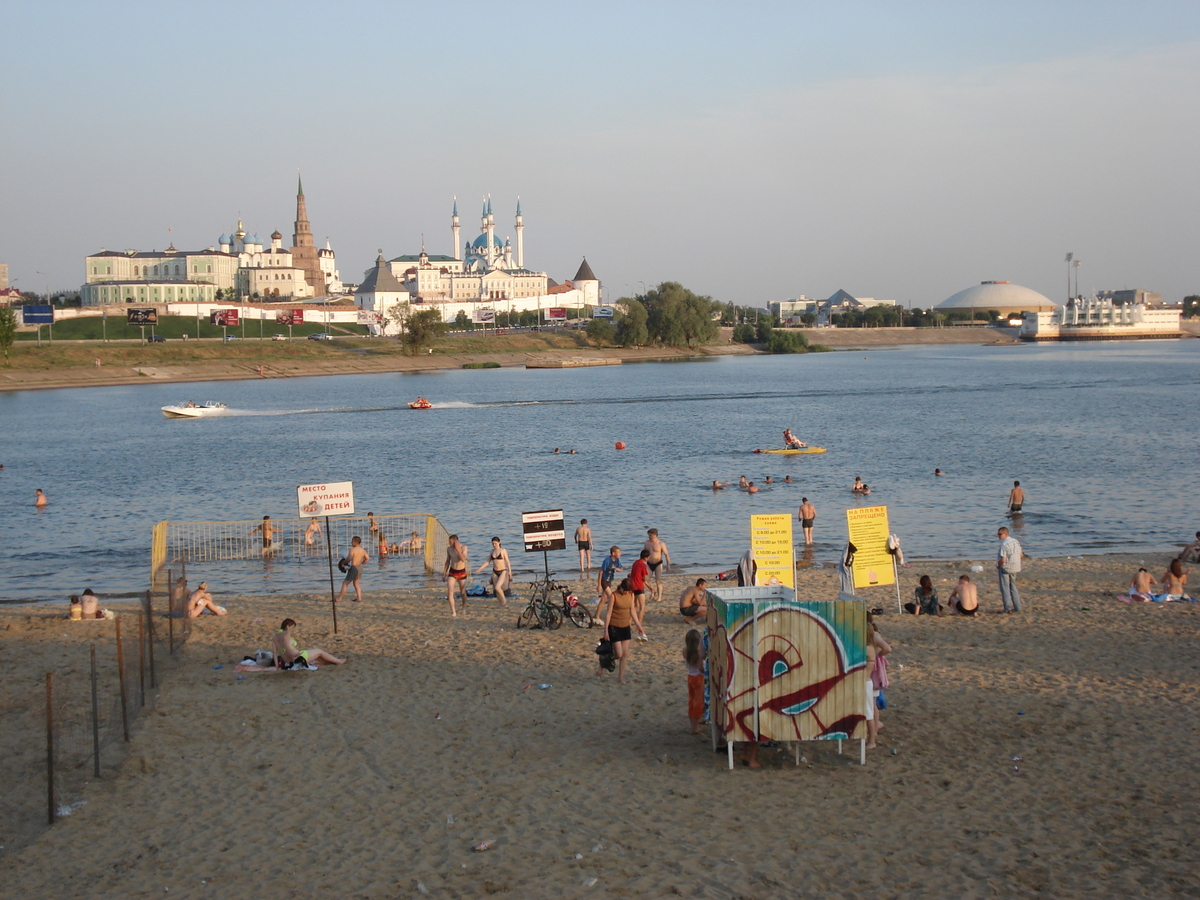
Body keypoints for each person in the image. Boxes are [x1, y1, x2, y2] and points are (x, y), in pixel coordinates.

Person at [596, 578, 643, 684]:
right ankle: (603, 662)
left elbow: (632, 611)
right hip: (614, 626)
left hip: (625, 626)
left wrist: (639, 626)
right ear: (621, 587)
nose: (626, 592)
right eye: (625, 590)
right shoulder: (614, 596)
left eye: (628, 591)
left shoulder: (630, 595)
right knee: (618, 654)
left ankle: (621, 678)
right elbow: (608, 614)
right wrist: (605, 631)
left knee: (625, 654)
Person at [272, 618, 345, 667]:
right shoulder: (286, 634)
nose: (292, 630)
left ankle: (334, 662)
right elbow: (288, 647)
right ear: (287, 626)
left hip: (287, 662)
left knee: (318, 656)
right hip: (296, 659)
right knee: (319, 651)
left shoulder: (275, 637)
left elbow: (275, 653)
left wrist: (276, 666)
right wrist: (297, 653)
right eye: (292, 627)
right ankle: (339, 661)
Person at [475, 536, 512, 606]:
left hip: (502, 571)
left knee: (497, 587)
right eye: (493, 544)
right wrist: (480, 569)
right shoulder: (492, 551)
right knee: (496, 590)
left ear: (499, 543)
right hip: (495, 571)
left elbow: (507, 561)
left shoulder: (503, 550)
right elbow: (487, 562)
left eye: (495, 543)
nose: (494, 545)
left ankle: (504, 601)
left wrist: (510, 572)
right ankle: (501, 604)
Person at [683, 629, 706, 734]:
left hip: (690, 677)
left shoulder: (685, 651)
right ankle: (696, 727)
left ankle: (693, 726)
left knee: (692, 700)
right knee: (698, 701)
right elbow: (700, 668)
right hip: (698, 677)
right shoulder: (698, 653)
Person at [996, 526, 1023, 613]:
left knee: (1005, 588)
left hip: (1006, 567)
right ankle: (1018, 607)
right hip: (1015, 566)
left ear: (1006, 534)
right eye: (998, 534)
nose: (999, 536)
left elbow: (1003, 559)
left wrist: (998, 565)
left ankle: (1007, 608)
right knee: (1013, 587)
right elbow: (1021, 554)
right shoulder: (1015, 541)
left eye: (1000, 534)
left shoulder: (1004, 544)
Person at [336, 536, 369, 603]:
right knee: (356, 583)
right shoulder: (362, 550)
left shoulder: (352, 550)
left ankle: (340, 598)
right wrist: (361, 564)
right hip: (359, 568)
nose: (351, 543)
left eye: (352, 541)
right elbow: (367, 558)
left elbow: (349, 558)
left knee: (345, 583)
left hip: (354, 567)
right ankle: (359, 598)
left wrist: (343, 563)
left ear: (355, 542)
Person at [443, 533, 469, 616]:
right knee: (450, 592)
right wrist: (444, 574)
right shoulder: (449, 549)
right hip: (452, 572)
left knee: (462, 591)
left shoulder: (463, 547)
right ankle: (453, 612)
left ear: (455, 541)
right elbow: (447, 561)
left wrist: (458, 549)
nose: (449, 543)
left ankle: (464, 607)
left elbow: (463, 559)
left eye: (450, 542)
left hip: (461, 572)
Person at [596, 545, 622, 624]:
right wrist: (599, 585)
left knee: (603, 599)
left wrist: (618, 569)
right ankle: (612, 615)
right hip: (604, 580)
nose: (620, 554)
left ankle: (596, 615)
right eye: (618, 552)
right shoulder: (607, 560)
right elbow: (601, 572)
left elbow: (621, 568)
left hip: (609, 581)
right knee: (611, 597)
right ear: (613, 553)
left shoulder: (617, 560)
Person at [643, 528, 671, 603]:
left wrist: (668, 565)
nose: (649, 537)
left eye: (651, 535)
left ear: (655, 535)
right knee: (645, 580)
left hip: (658, 563)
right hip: (649, 564)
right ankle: (652, 590)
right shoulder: (646, 543)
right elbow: (643, 554)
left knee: (658, 581)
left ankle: (659, 597)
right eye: (649, 535)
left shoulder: (661, 544)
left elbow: (666, 554)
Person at [629, 550, 651, 640]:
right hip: (639, 587)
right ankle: (639, 624)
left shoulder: (635, 563)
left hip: (632, 586)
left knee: (636, 606)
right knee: (642, 607)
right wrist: (651, 588)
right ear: (646, 557)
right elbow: (644, 579)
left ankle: (629, 622)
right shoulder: (643, 565)